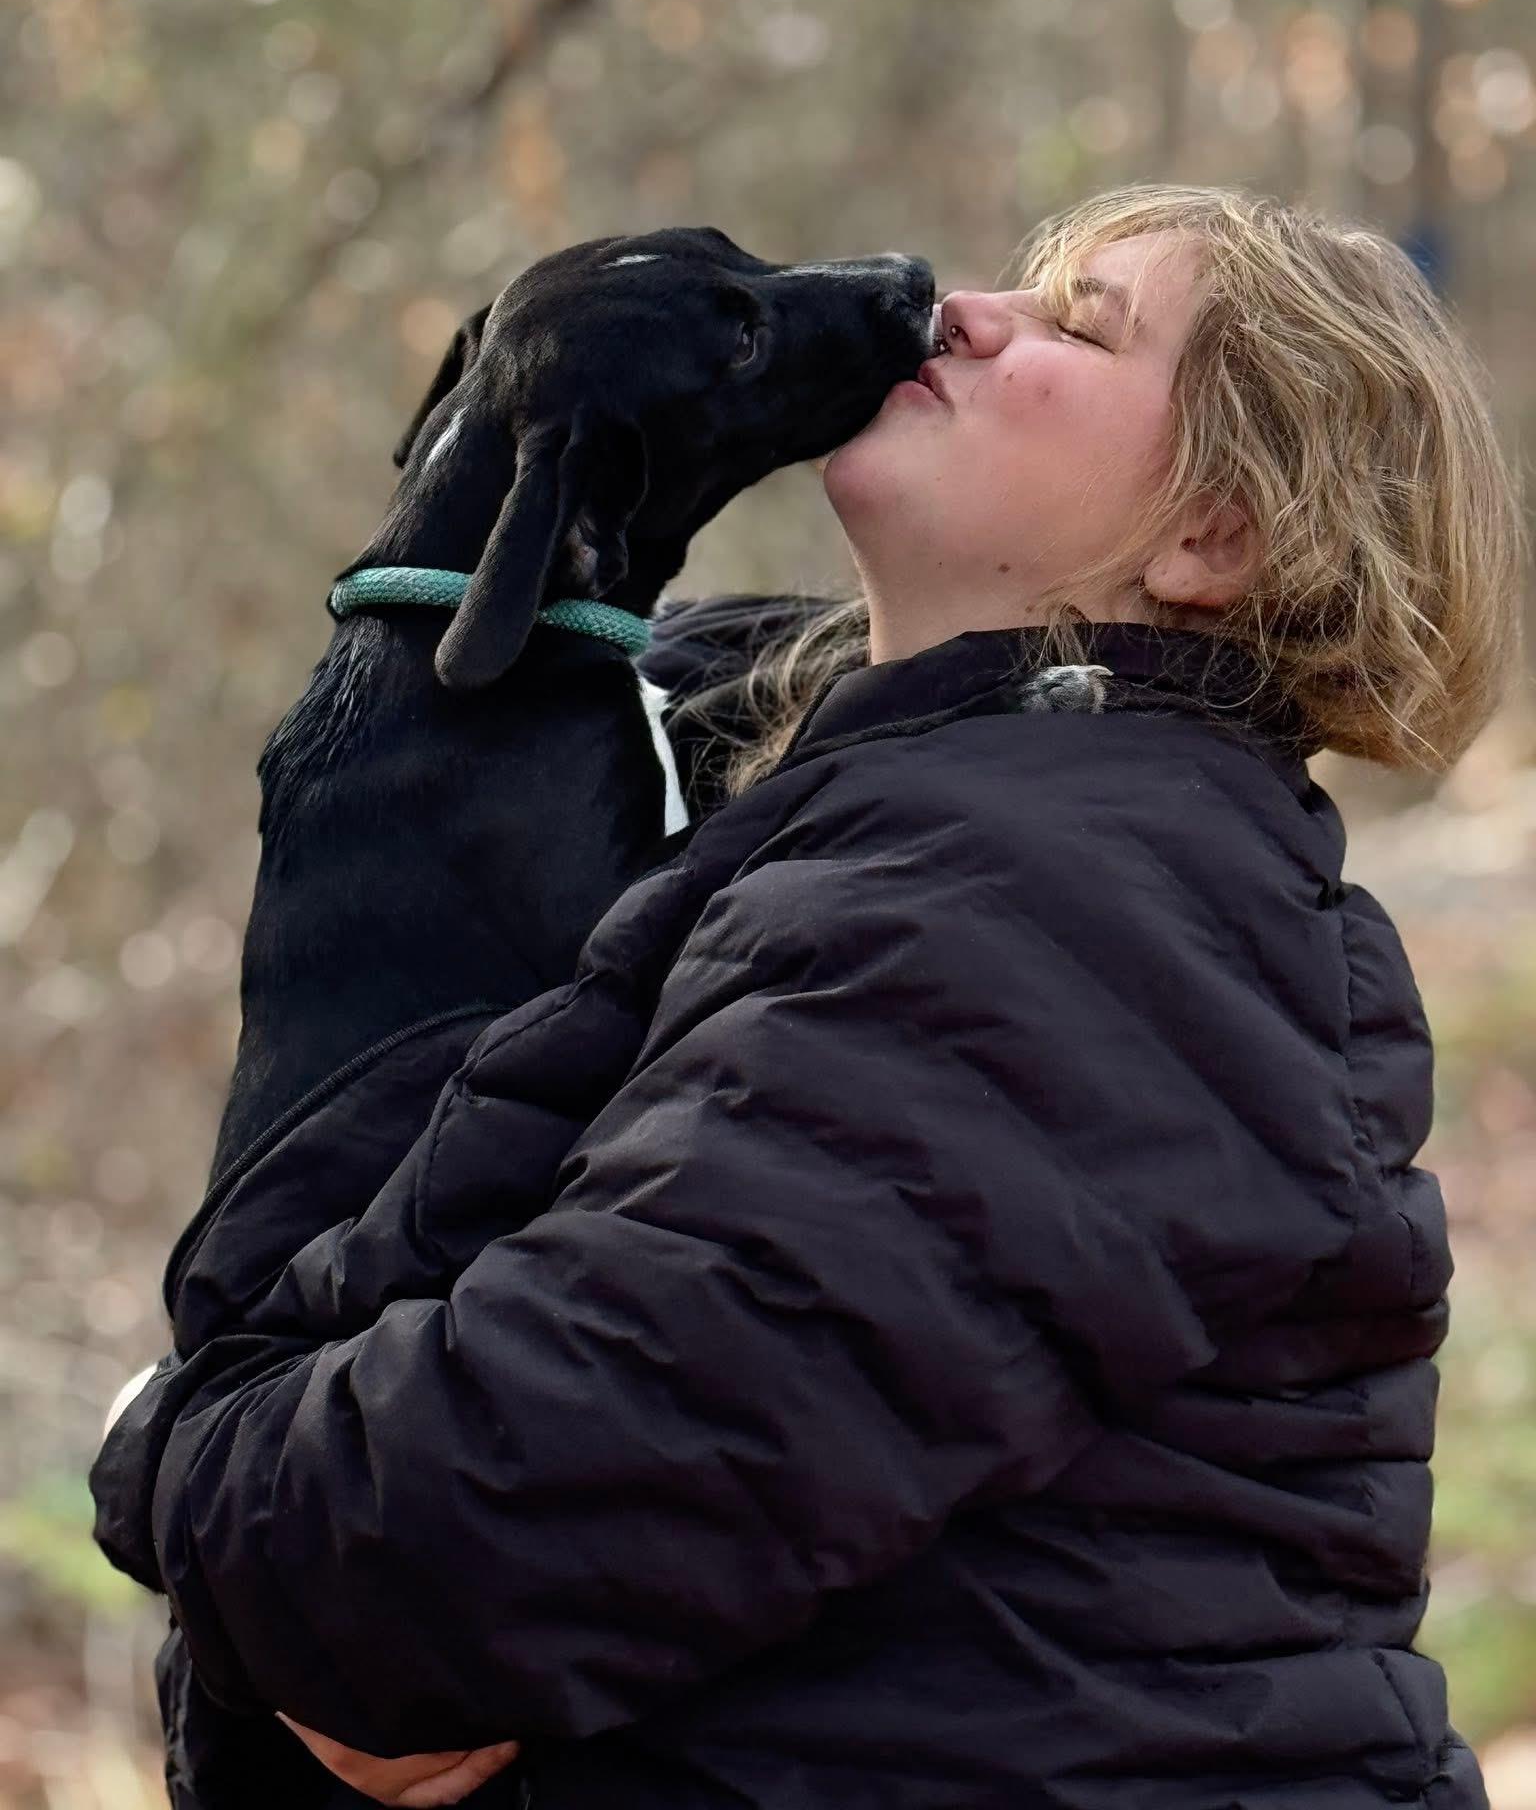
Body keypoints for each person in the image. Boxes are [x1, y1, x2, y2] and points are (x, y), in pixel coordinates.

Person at [93, 183, 1525, 1809]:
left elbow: (471, 1536)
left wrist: (162, 1451)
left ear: (1217, 536)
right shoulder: (862, 821)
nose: (965, 306)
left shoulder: (1077, 908)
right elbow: (361, 1283)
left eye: (1083, 327)